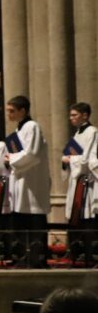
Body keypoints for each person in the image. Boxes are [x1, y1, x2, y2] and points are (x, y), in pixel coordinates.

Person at [4, 96, 51, 267]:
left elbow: (33, 153)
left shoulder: (32, 127)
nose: (8, 114)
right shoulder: (17, 132)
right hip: (21, 183)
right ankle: (23, 257)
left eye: (11, 111)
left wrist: (12, 159)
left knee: (34, 220)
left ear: (22, 111)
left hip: (33, 185)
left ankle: (37, 259)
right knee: (21, 222)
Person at [62, 103, 97, 262]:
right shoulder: (76, 135)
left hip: (86, 182)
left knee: (87, 216)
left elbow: (87, 160)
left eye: (74, 115)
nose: (71, 118)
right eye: (70, 115)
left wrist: (70, 159)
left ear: (85, 115)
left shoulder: (92, 132)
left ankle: (90, 253)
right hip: (76, 182)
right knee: (76, 216)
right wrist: (66, 160)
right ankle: (77, 251)